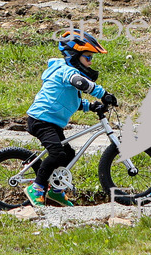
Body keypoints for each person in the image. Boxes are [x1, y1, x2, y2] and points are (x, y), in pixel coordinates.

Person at [25, 29, 118, 207]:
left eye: (92, 58)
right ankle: (36, 187)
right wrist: (103, 94)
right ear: (74, 56)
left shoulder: (67, 75)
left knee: (68, 154)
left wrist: (91, 106)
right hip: (41, 120)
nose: (90, 62)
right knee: (57, 153)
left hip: (52, 123)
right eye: (88, 57)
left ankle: (56, 190)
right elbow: (81, 83)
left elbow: (71, 101)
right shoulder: (66, 71)